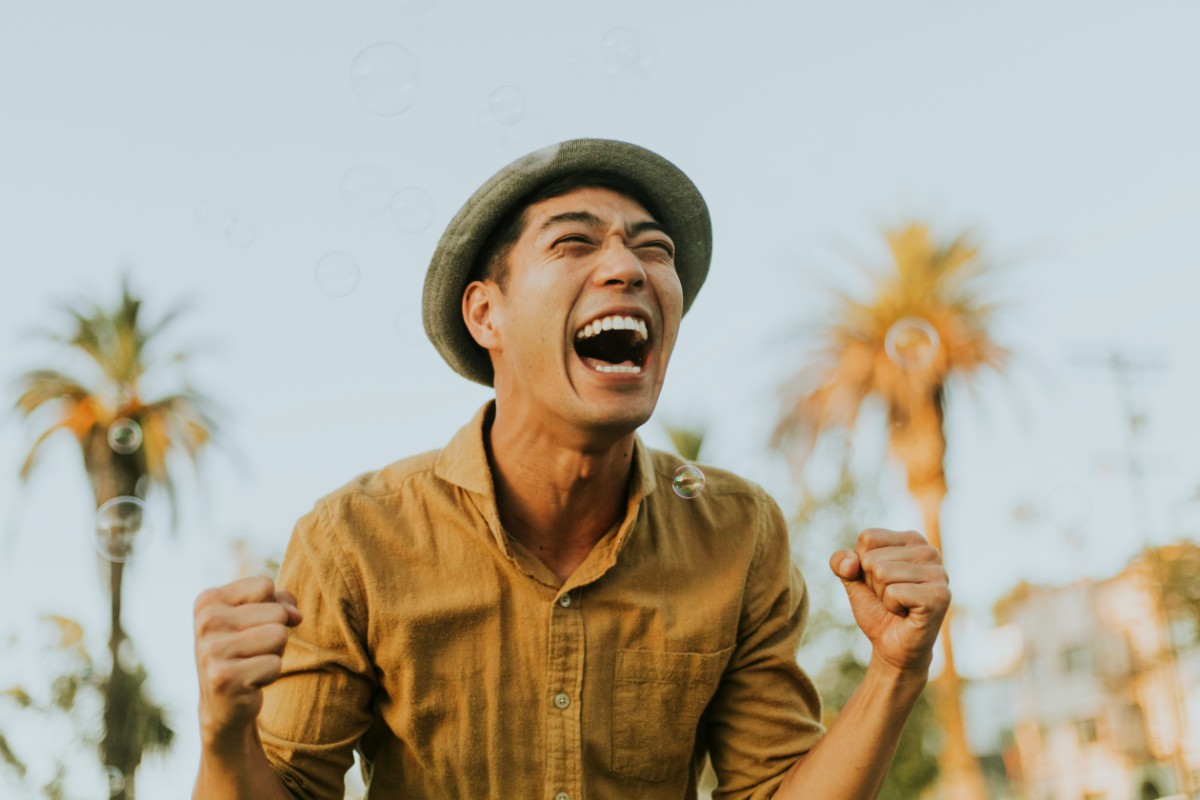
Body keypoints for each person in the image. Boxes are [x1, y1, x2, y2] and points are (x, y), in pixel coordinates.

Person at [192, 139, 950, 799]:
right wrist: (226, 732)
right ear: (486, 314)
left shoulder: (738, 533)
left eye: (654, 250)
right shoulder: (354, 540)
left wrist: (894, 673)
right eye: (573, 244)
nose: (627, 266)